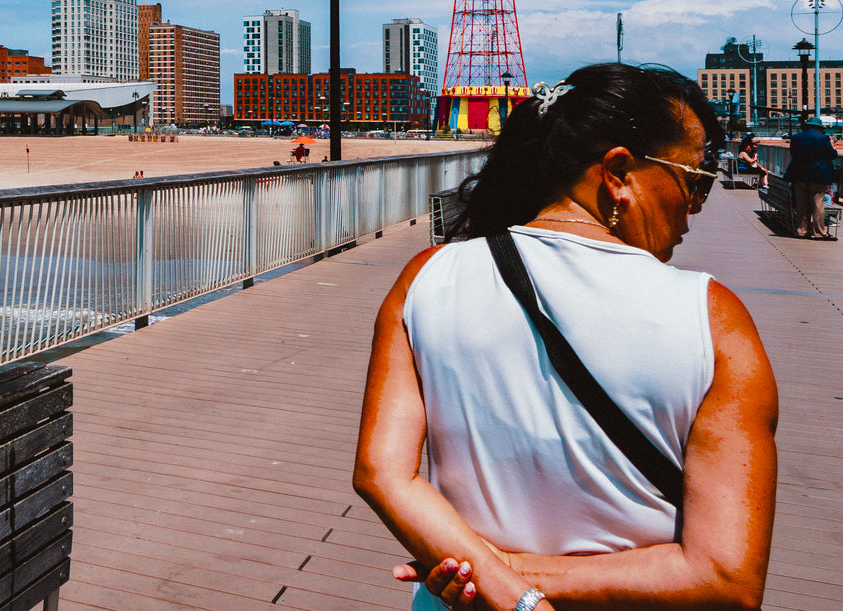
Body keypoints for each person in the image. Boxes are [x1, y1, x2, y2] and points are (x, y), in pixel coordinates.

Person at [352, 63, 777, 610]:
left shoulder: (427, 278)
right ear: (618, 172)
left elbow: (382, 473)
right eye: (694, 181)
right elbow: (725, 578)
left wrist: (502, 581)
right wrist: (521, 586)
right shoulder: (713, 319)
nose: (694, 209)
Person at [783, 116, 837, 239]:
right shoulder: (823, 138)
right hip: (818, 175)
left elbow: (794, 154)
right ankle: (819, 233)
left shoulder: (796, 138)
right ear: (819, 128)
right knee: (817, 203)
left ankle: (802, 231)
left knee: (801, 202)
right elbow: (832, 154)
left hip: (799, 174)